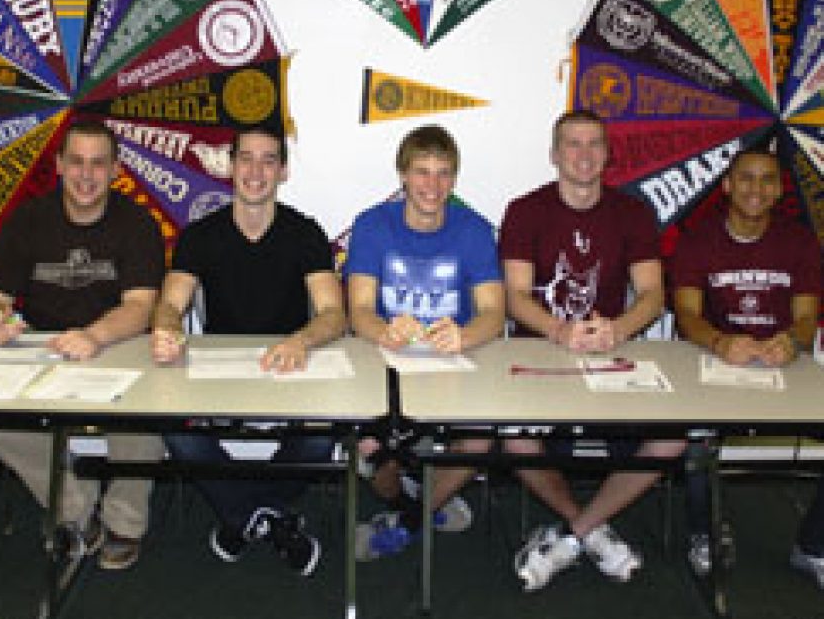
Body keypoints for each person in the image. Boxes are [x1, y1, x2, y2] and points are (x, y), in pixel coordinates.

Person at [499, 110, 685, 591]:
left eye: (594, 144)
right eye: (572, 144)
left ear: (607, 152)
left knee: (672, 438)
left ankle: (572, 534)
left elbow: (652, 295)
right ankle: (591, 529)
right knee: (516, 437)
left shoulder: (633, 213)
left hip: (610, 352)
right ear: (555, 154)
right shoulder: (524, 211)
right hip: (542, 354)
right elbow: (515, 297)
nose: (584, 154)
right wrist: (560, 332)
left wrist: (617, 329)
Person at [152, 126, 345, 577]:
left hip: (293, 371)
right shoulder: (200, 234)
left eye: (268, 160)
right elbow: (168, 304)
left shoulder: (305, 232)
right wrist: (166, 329)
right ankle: (268, 517)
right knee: (172, 427)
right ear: (230, 165)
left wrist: (302, 340)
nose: (256, 171)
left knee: (325, 431)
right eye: (246, 159)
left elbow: (334, 314)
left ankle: (240, 516)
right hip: (223, 376)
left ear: (283, 170)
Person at [0, 120, 165, 571]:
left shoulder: (137, 223)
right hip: (43, 348)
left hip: (117, 344)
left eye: (98, 163)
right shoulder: (28, 219)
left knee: (149, 409)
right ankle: (76, 508)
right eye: (76, 162)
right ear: (59, 166)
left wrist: (94, 336)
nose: (86, 174)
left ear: (116, 169)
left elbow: (140, 308)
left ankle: (125, 522)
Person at [345, 124, 505, 561]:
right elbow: (358, 310)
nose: (432, 186)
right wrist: (384, 331)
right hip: (386, 362)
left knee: (480, 437)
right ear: (402, 175)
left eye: (443, 173)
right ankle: (418, 506)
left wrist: (464, 335)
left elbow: (494, 312)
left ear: (455, 179)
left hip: (454, 363)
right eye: (421, 172)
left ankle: (406, 522)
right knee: (373, 447)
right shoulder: (372, 225)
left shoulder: (474, 230)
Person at [671, 148, 823, 582]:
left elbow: (808, 318)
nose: (756, 189)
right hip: (713, 362)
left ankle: (813, 545)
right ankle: (704, 532)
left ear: (779, 189)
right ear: (727, 186)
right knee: (697, 436)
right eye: (746, 178)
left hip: (782, 367)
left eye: (767, 180)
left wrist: (793, 342)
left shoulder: (799, 241)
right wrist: (719, 341)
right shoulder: (697, 241)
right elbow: (686, 314)